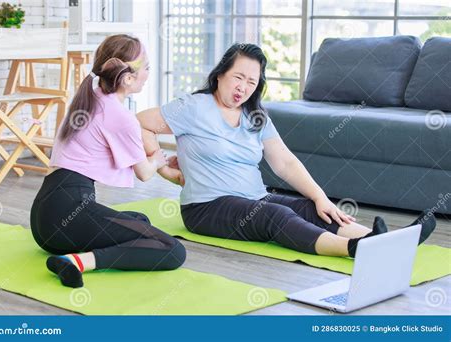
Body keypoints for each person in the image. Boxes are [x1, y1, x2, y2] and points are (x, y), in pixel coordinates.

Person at [137, 43, 436, 259]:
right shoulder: (192, 107)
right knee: (274, 215)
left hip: (253, 197)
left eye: (252, 82)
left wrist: (320, 197)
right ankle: (353, 249)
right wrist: (163, 169)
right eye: (238, 77)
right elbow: (139, 123)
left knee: (309, 208)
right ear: (220, 75)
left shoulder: (255, 116)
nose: (243, 87)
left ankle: (389, 242)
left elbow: (284, 162)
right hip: (206, 207)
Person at [30, 35, 186, 288]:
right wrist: (157, 159)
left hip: (43, 218)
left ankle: (73, 255)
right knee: (172, 249)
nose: (148, 73)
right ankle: (77, 262)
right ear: (127, 78)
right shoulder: (120, 116)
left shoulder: (91, 95)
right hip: (65, 216)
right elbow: (145, 173)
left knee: (139, 221)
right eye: (146, 67)